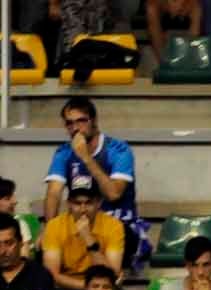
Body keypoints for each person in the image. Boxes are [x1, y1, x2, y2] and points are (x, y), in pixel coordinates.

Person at [43, 97, 144, 268]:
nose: (75, 128)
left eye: (81, 121)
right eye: (69, 123)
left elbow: (113, 194)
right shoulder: (63, 152)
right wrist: (49, 229)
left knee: (122, 237)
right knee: (44, 246)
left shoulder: (119, 150)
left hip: (117, 225)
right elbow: (53, 193)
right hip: (81, 223)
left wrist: (85, 157)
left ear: (94, 121)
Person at [41, 180, 124, 290]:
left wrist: (88, 239)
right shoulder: (54, 226)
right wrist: (89, 287)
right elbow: (52, 274)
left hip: (102, 289)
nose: (83, 209)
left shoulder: (114, 226)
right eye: (77, 203)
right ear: (69, 203)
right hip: (67, 287)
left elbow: (112, 274)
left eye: (89, 203)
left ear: (99, 203)